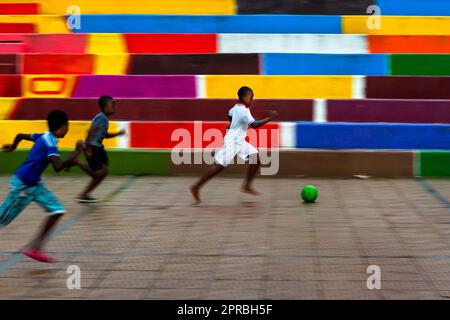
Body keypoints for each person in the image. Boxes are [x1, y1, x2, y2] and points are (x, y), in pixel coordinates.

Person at [0, 110, 86, 263]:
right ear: (62, 127)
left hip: (34, 184)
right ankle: (35, 247)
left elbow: (20, 135)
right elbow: (58, 167)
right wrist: (77, 151)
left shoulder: (45, 136)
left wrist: (13, 147)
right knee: (2, 220)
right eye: (67, 126)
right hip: (22, 186)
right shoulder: (49, 141)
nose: (68, 129)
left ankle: (35, 248)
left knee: (57, 210)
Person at [190, 86, 278, 204]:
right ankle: (196, 186)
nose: (251, 99)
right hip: (233, 141)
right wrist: (269, 118)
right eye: (250, 97)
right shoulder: (244, 110)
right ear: (243, 97)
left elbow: (230, 114)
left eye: (252, 97)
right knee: (219, 166)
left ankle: (246, 186)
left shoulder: (236, 107)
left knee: (256, 159)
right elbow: (254, 125)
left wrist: (231, 125)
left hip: (239, 141)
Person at [76, 96, 125, 203]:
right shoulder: (101, 117)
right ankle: (76, 162)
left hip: (98, 147)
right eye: (112, 105)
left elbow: (104, 134)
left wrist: (117, 134)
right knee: (99, 173)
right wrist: (88, 148)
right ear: (105, 107)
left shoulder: (104, 119)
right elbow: (91, 130)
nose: (114, 107)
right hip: (93, 147)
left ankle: (85, 194)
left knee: (103, 172)